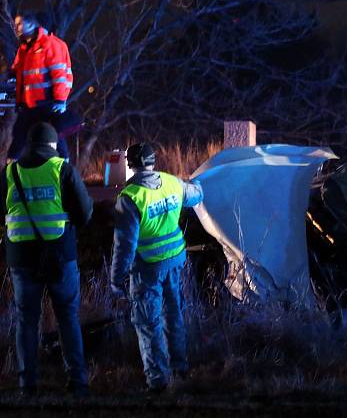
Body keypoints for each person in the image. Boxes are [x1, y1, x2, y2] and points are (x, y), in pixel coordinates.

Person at [0, 122, 93, 397]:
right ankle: (77, 382)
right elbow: (85, 214)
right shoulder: (61, 169)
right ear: (53, 145)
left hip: (20, 258)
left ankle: (27, 384)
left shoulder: (10, 172)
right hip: (59, 255)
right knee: (67, 317)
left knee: (27, 320)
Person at [110, 142, 203, 393]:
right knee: (173, 315)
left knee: (148, 322)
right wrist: (196, 182)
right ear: (153, 161)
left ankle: (158, 382)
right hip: (174, 261)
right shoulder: (172, 182)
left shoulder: (130, 197)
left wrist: (116, 279)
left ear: (130, 165)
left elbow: (124, 246)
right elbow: (198, 194)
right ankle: (180, 368)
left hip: (147, 268)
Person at [8, 11, 74, 160]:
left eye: (20, 23)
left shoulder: (49, 45)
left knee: (53, 139)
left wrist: (60, 101)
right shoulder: (24, 48)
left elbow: (59, 76)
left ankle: (64, 173)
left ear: (31, 24)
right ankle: (11, 175)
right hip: (28, 105)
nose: (16, 26)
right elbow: (18, 73)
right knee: (18, 139)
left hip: (47, 104)